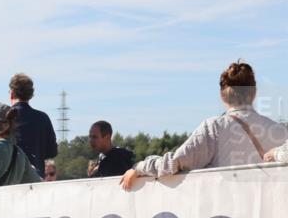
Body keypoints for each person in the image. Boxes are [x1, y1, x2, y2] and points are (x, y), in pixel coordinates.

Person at [121, 61, 288, 190]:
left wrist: (140, 167)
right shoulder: (280, 132)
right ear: (254, 93)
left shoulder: (214, 127)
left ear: (222, 96)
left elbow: (173, 164)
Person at [8, 73, 58, 179]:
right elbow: (52, 151)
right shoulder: (42, 118)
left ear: (11, 93)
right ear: (30, 95)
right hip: (36, 179)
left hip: (9, 180)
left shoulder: (4, 118)